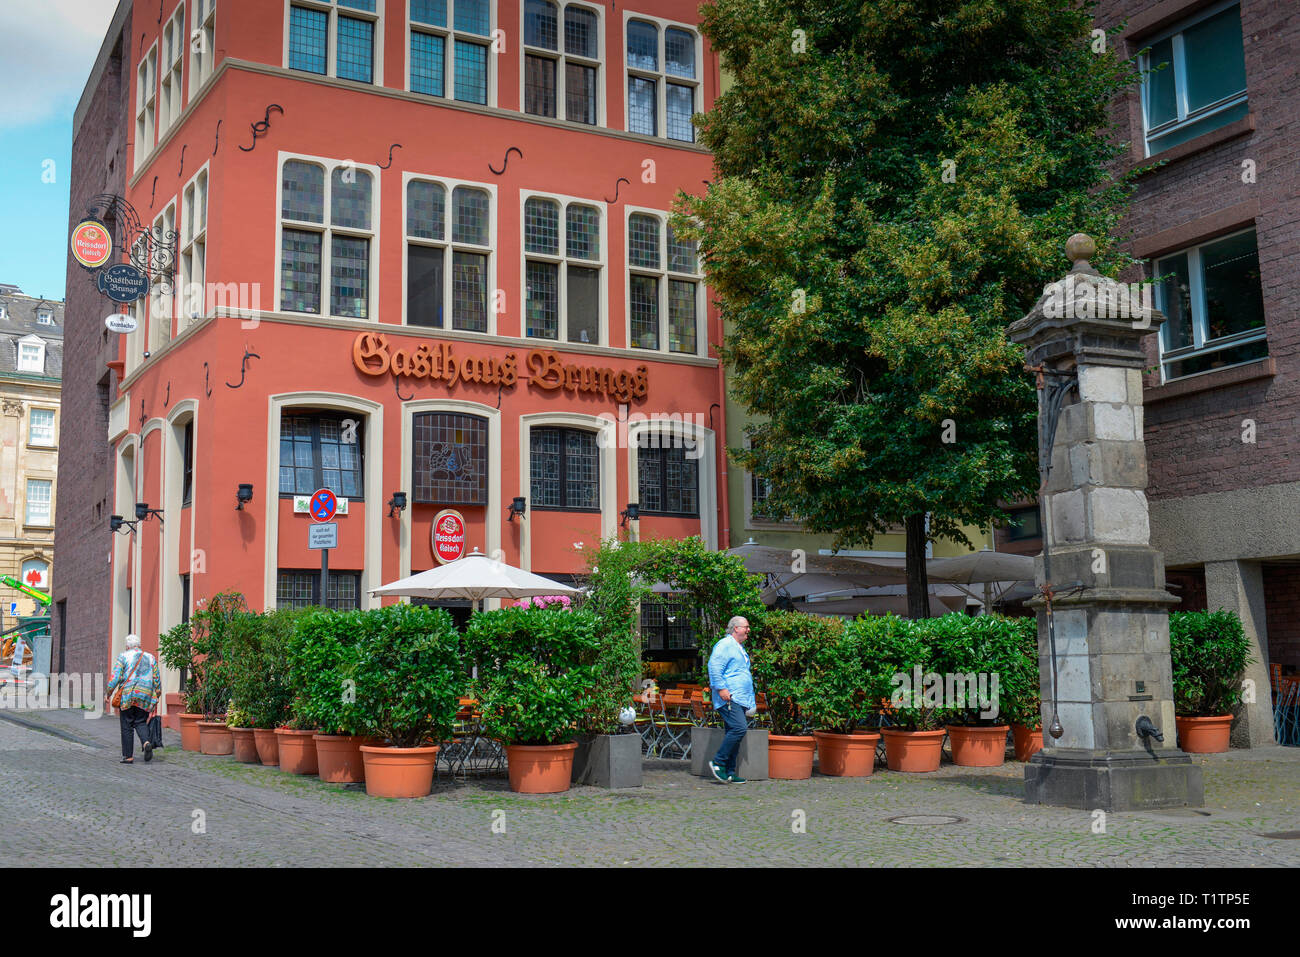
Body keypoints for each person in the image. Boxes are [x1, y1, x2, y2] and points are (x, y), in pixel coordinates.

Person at [707, 616, 755, 784]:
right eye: (746, 627)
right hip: (729, 697)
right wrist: (721, 688)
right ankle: (718, 762)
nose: (748, 630)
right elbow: (714, 666)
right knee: (739, 728)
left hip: (739, 698)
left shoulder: (737, 647)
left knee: (733, 732)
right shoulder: (725, 645)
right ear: (736, 628)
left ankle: (729, 771)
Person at [105, 635, 162, 764]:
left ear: (127, 646)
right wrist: (157, 694)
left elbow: (115, 677)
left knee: (127, 724)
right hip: (145, 695)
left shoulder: (123, 656)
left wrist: (108, 693)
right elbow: (156, 678)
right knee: (141, 721)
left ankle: (128, 756)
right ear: (139, 645)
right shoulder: (151, 657)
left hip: (128, 695)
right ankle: (146, 742)